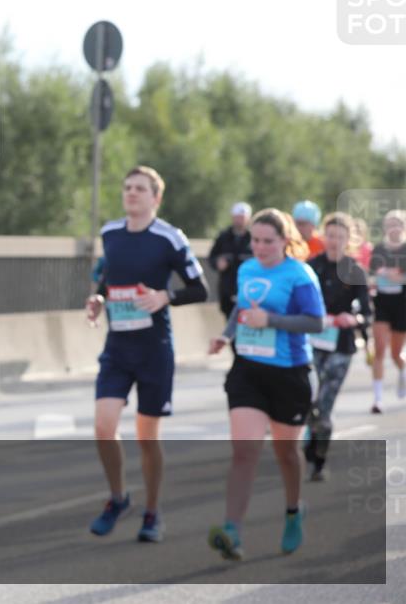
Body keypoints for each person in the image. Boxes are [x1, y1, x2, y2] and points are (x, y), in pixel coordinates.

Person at [84, 166, 208, 543]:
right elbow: (108, 277)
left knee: (146, 437)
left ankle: (152, 511)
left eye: (140, 188)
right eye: (127, 187)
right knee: (103, 426)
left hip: (154, 349)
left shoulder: (169, 238)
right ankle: (118, 497)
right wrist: (99, 299)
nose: (131, 193)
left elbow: (200, 289)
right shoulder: (110, 233)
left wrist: (165, 296)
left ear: (156, 197)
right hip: (117, 347)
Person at [207, 208, 324, 560]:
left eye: (267, 241)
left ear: (285, 241)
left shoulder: (299, 274)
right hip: (248, 371)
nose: (259, 247)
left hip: (289, 374)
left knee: (286, 453)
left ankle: (293, 511)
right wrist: (226, 335)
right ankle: (232, 531)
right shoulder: (247, 269)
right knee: (244, 452)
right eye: (255, 240)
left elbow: (315, 322)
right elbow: (242, 309)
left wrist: (271, 320)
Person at [304, 213, 371, 481]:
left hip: (340, 347)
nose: (334, 241)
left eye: (340, 237)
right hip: (311, 343)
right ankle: (310, 442)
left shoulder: (355, 271)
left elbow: (366, 313)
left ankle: (319, 461)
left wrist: (353, 319)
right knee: (307, 401)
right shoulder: (311, 266)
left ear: (348, 240)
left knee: (325, 406)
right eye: (330, 236)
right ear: (324, 237)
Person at [368, 209, 406, 412]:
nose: (393, 228)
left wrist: (398, 276)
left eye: (397, 224)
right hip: (382, 302)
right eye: (390, 224)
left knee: (395, 353)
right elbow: (370, 275)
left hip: (401, 304)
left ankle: (403, 371)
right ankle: (378, 399)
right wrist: (379, 275)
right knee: (380, 349)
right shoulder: (379, 249)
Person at [209, 202, 253, 319]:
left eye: (242, 217)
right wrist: (217, 263)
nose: (240, 220)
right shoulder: (223, 237)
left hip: (248, 288)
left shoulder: (254, 238)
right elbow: (212, 257)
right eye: (237, 217)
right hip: (227, 288)